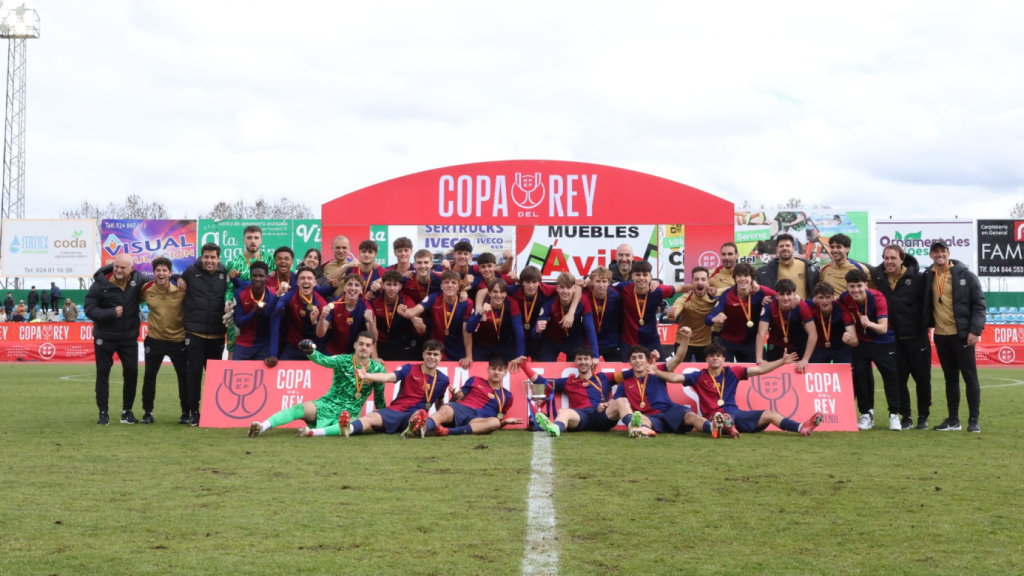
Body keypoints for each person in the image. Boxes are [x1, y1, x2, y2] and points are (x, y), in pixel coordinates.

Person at [654, 339, 824, 436]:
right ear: (706, 359)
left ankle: (801, 427)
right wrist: (656, 372)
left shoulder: (733, 372)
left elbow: (760, 370)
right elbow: (675, 378)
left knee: (770, 413)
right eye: (711, 356)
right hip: (714, 416)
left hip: (735, 413)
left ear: (723, 358)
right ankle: (726, 427)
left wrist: (782, 361)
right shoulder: (698, 376)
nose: (715, 358)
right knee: (723, 417)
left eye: (718, 356)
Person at [247, 332, 386, 437]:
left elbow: (379, 397)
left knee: (349, 425)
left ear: (372, 349)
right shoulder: (342, 360)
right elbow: (323, 360)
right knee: (299, 408)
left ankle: (313, 432)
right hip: (327, 404)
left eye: (368, 345)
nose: (364, 348)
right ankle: (262, 426)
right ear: (355, 345)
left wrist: (384, 419)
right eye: (361, 344)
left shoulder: (378, 369)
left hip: (350, 412)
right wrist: (310, 351)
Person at [308, 339, 450, 438]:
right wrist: (367, 375)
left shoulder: (443, 380)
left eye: (435, 354)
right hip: (395, 411)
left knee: (420, 416)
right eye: (429, 353)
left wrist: (447, 410)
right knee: (370, 417)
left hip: (414, 415)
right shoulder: (409, 368)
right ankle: (339, 430)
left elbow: (439, 401)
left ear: (440, 357)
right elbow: (387, 377)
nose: (432, 357)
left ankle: (414, 429)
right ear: (423, 355)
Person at [922, 240, 986, 433]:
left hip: (962, 335)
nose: (939, 254)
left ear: (948, 253)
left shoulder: (965, 275)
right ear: (931, 255)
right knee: (950, 379)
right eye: (935, 252)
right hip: (941, 336)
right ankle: (953, 420)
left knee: (970, 377)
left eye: (943, 251)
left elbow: (979, 304)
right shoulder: (927, 276)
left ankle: (974, 420)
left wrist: (975, 331)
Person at [84, 254, 150, 425]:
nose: (119, 270)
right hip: (104, 337)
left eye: (123, 267)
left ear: (131, 269)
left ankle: (127, 412)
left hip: (128, 337)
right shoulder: (100, 284)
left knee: (132, 373)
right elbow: (89, 309)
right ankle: (103, 413)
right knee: (103, 374)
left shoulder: (138, 279)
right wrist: (110, 313)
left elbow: (159, 277)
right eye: (117, 266)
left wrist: (179, 279)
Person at [870, 245, 930, 429]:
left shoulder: (919, 278)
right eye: (886, 258)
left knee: (922, 379)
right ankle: (906, 416)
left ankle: (923, 416)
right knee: (898, 380)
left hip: (917, 337)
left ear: (902, 259)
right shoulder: (877, 277)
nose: (889, 262)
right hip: (894, 340)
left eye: (893, 258)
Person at [603, 344, 715, 438]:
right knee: (643, 420)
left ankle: (712, 427)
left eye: (641, 357)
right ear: (630, 362)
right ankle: (642, 432)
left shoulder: (657, 370)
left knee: (691, 416)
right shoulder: (625, 383)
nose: (637, 361)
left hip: (669, 411)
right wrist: (604, 404)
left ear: (647, 360)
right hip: (650, 417)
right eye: (634, 358)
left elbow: (678, 358)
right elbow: (615, 401)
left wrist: (686, 338)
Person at [837, 269, 901, 431]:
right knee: (860, 378)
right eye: (852, 286)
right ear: (847, 286)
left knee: (891, 378)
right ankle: (866, 414)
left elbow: (883, 328)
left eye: (859, 286)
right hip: (862, 342)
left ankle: (894, 415)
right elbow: (832, 301)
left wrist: (868, 323)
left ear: (865, 285)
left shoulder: (878, 298)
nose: (856, 290)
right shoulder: (845, 297)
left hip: (884, 341)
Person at [181, 243, 231, 427]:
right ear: (201, 257)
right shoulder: (190, 271)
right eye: (206, 257)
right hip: (194, 333)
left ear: (218, 258)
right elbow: (175, 277)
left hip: (217, 334)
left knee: (214, 377)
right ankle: (194, 412)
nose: (209, 261)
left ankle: (213, 411)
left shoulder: (225, 273)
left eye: (213, 257)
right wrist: (179, 279)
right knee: (194, 374)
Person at [521, 348, 617, 436]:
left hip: (602, 416)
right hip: (581, 417)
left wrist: (611, 401)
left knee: (621, 401)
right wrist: (524, 366)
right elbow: (542, 382)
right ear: (575, 361)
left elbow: (626, 376)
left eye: (586, 359)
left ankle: (629, 427)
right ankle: (555, 429)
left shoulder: (603, 377)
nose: (583, 362)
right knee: (563, 411)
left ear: (592, 361)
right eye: (579, 359)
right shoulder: (569, 381)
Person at [139, 257, 188, 425]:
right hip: (155, 339)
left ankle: (185, 413)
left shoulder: (181, 288)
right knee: (149, 376)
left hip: (178, 340)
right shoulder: (146, 289)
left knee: (183, 377)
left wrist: (180, 278)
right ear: (153, 273)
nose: (161, 273)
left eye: (164, 270)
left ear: (170, 273)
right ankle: (147, 412)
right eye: (158, 270)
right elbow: (130, 301)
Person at [421, 356, 522, 437]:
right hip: (461, 409)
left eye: (500, 370)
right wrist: (454, 397)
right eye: (493, 368)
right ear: (488, 369)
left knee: (495, 422)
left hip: (478, 420)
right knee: (445, 409)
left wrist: (505, 422)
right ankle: (421, 428)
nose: (496, 372)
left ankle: (447, 431)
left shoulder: (507, 396)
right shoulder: (475, 380)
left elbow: (498, 421)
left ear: (505, 372)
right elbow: (457, 399)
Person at [402, 270, 474, 367]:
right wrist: (403, 311)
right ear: (441, 286)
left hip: (458, 350)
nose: (450, 285)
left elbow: (466, 331)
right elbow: (414, 311)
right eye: (446, 282)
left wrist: (468, 356)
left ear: (458, 286)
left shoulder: (467, 303)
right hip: (436, 350)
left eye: (453, 283)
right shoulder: (433, 298)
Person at [706, 263, 776, 362]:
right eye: (739, 275)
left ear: (752, 278)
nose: (743, 279)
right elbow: (707, 320)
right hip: (728, 342)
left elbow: (781, 298)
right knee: (723, 370)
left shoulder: (761, 291)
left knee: (763, 367)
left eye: (746, 275)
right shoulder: (727, 295)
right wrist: (714, 319)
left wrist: (770, 301)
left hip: (752, 342)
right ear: (735, 278)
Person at [532, 272, 600, 361]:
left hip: (574, 341)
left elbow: (589, 328)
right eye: (562, 287)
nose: (565, 291)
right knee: (544, 366)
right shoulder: (549, 304)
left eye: (568, 287)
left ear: (574, 288)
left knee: (580, 366)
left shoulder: (583, 300)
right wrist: (537, 331)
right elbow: (534, 335)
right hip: (552, 341)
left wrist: (595, 356)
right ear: (557, 288)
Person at [617, 260, 675, 360]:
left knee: (658, 368)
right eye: (638, 275)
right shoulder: (624, 287)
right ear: (632, 276)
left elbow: (682, 288)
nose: (641, 278)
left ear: (650, 276)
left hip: (651, 341)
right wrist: (588, 280)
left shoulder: (657, 289)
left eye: (645, 275)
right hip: (629, 340)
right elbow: (602, 285)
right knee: (628, 368)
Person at [755, 279, 817, 372]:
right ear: (776, 295)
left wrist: (805, 359)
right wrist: (759, 358)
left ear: (794, 294)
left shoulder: (801, 306)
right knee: (774, 373)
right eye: (782, 294)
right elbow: (761, 333)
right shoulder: (769, 306)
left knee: (799, 374)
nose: (785, 298)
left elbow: (813, 333)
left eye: (788, 294)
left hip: (799, 346)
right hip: (776, 345)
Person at [273, 266, 329, 360]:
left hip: (313, 346)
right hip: (293, 346)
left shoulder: (321, 303)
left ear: (315, 282)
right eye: (302, 278)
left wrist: (315, 322)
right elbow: (273, 309)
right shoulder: (291, 296)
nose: (306, 281)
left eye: (309, 278)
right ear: (297, 282)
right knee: (282, 367)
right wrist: (278, 294)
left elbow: (320, 335)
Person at [466, 278, 525, 365]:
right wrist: (480, 313)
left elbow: (518, 328)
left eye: (502, 292)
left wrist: (520, 355)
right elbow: (469, 329)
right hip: (483, 346)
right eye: (495, 292)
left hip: (505, 345)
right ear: (489, 293)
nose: (498, 295)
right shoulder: (482, 304)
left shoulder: (511, 303)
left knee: (514, 366)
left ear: (506, 293)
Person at [369, 270, 425, 360]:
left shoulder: (407, 301)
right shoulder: (374, 301)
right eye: (388, 284)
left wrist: (414, 320)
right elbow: (370, 331)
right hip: (379, 344)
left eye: (395, 285)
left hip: (401, 344)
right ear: (382, 285)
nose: (392, 288)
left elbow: (421, 331)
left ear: (400, 286)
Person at [232, 261, 280, 364]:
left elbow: (274, 327)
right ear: (250, 276)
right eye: (254, 275)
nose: (257, 279)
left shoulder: (273, 296)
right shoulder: (240, 293)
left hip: (264, 344)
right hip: (243, 343)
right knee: (236, 371)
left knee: (266, 373)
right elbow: (239, 322)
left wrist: (273, 355)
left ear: (267, 278)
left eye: (261, 276)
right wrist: (254, 312)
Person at [317, 274, 377, 355]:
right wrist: (322, 318)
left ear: (361, 289)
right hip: (334, 352)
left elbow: (374, 338)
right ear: (344, 287)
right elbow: (320, 334)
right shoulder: (334, 304)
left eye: (356, 285)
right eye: (349, 284)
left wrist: (371, 322)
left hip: (357, 353)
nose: (353, 288)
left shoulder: (366, 306)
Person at [666, 266, 716, 362]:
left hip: (705, 343)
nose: (700, 282)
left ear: (708, 283)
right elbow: (676, 309)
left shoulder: (714, 297)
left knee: (706, 371)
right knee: (680, 370)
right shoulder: (684, 298)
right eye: (696, 279)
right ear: (692, 283)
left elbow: (730, 290)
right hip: (683, 341)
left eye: (703, 279)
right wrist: (672, 314)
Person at [755, 233, 820, 299]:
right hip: (779, 305)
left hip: (803, 305)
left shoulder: (807, 267)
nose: (785, 248)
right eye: (781, 246)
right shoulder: (768, 271)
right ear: (777, 249)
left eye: (787, 245)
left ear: (793, 248)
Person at [807, 281, 858, 364]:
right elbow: (796, 303)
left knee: (846, 371)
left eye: (827, 297)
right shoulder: (809, 306)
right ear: (816, 298)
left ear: (833, 297)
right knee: (814, 371)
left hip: (841, 347)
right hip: (819, 347)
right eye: (821, 297)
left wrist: (849, 340)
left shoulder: (842, 310)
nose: (824, 301)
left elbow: (855, 341)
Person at [585, 266, 624, 362]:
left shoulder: (616, 296)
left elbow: (621, 318)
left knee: (616, 369)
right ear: (591, 282)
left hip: (611, 341)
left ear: (609, 282)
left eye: (604, 281)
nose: (601, 285)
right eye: (598, 281)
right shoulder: (585, 295)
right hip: (589, 341)